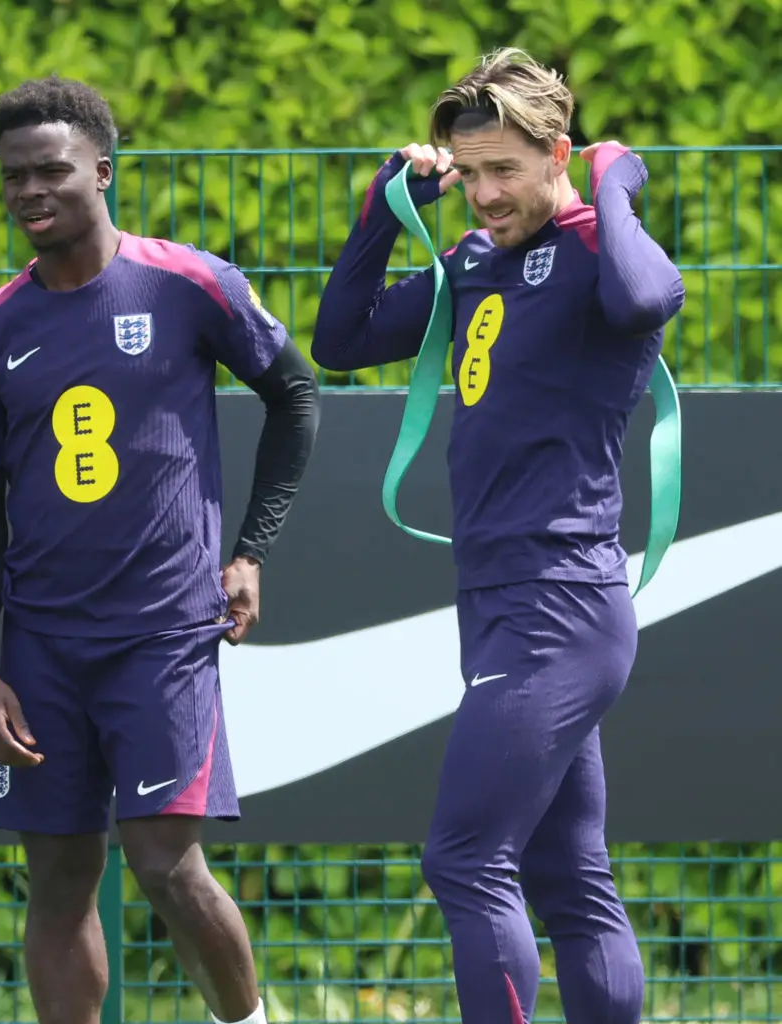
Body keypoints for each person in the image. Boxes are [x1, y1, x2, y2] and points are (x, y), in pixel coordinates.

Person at [310, 48, 684, 1024]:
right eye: (466, 172)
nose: (480, 193)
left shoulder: (601, 250)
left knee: (464, 856)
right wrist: (382, 204)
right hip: (500, 600)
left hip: (558, 606)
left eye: (501, 171)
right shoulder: (476, 259)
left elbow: (647, 301)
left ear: (557, 153)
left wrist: (617, 181)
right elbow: (341, 338)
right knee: (569, 877)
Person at [0, 75, 320, 1024]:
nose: (30, 191)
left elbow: (296, 396)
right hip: (41, 648)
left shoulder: (187, 284)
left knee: (163, 863)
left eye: (51, 171)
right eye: (13, 176)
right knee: (60, 872)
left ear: (102, 171)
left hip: (162, 638)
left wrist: (250, 551)